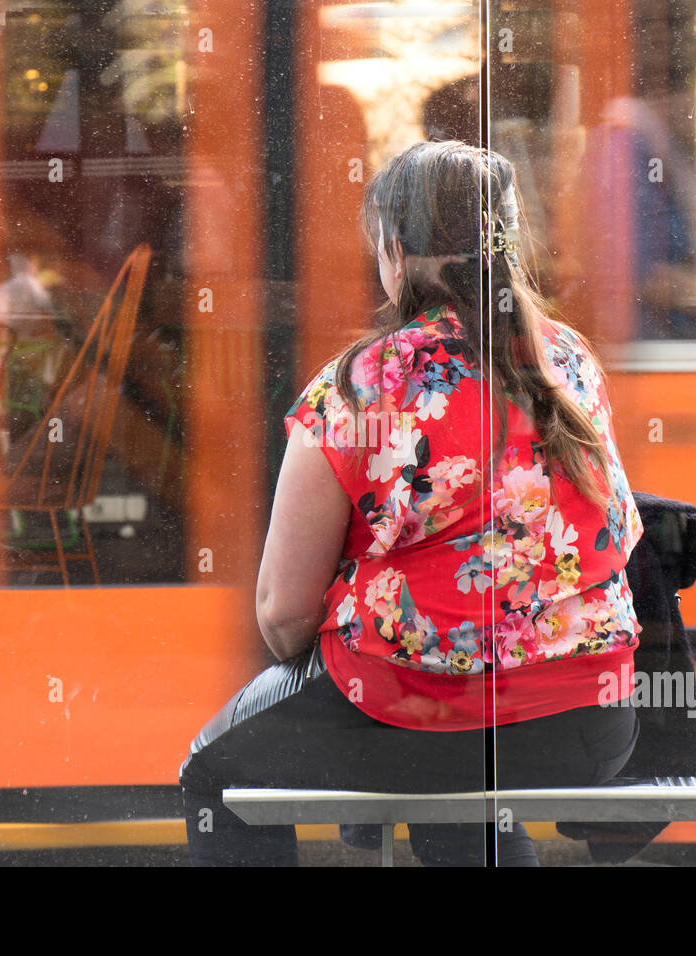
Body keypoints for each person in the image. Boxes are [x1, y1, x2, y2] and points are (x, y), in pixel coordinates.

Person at [179, 140, 645, 866]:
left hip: (417, 714)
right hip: (591, 727)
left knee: (212, 776)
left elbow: (283, 612)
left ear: (396, 251)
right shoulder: (570, 359)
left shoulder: (360, 385)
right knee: (459, 790)